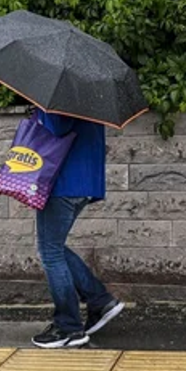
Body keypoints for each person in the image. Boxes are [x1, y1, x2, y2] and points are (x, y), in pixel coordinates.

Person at [30, 108, 125, 349]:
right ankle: (99, 300)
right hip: (85, 183)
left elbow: (56, 129)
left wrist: (39, 114)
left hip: (63, 182)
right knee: (55, 247)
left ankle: (68, 327)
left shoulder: (61, 101)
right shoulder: (89, 98)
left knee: (50, 252)